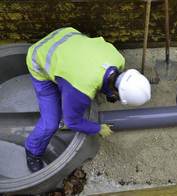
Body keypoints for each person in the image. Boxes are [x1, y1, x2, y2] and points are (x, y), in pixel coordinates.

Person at [25, 27, 151, 172]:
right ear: (117, 93)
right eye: (116, 97)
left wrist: (108, 92)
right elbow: (72, 122)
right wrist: (97, 128)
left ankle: (63, 82)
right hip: (38, 57)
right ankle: (32, 151)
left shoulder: (118, 58)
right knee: (51, 123)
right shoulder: (81, 89)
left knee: (68, 86)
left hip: (65, 34)